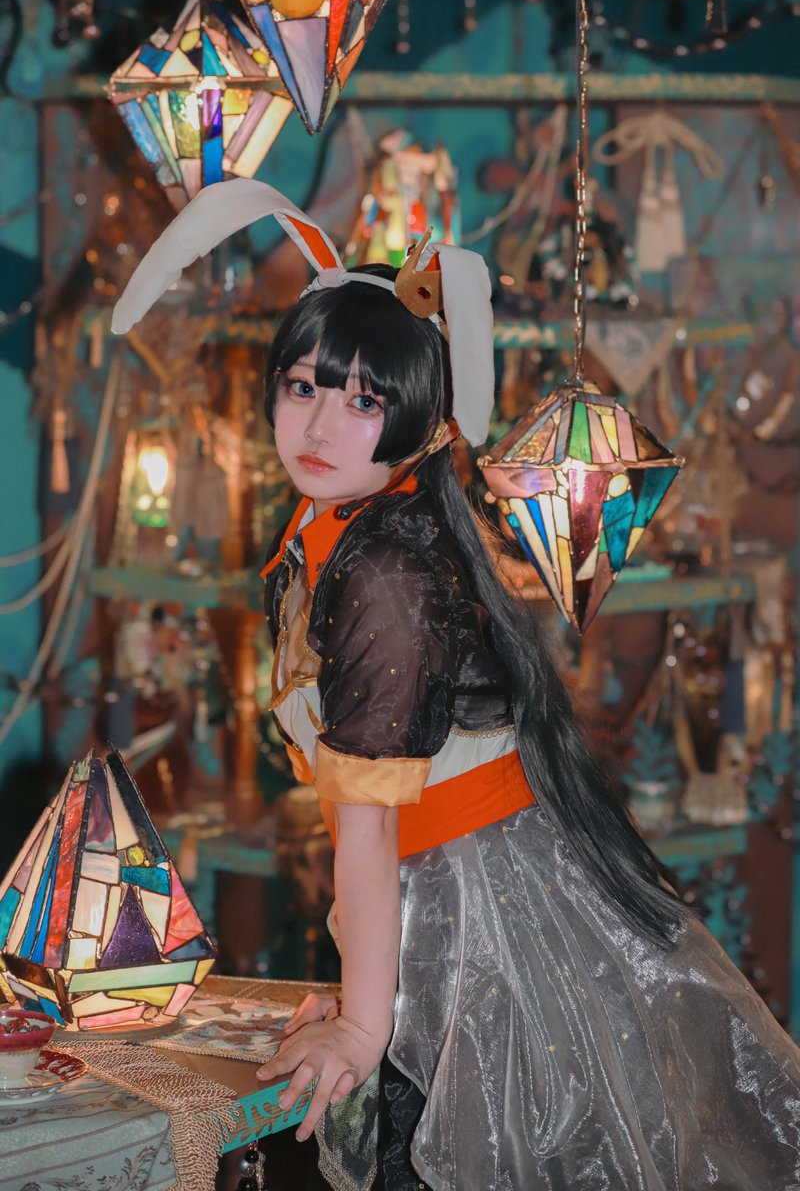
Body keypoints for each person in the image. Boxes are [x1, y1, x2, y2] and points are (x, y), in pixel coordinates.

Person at [113, 179, 800, 1191]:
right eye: (301, 387)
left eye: (364, 401)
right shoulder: (331, 534)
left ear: (423, 421)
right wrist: (364, 993)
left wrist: (362, 1024)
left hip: (481, 914)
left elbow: (368, 824)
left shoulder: (385, 569)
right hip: (431, 898)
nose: (320, 426)